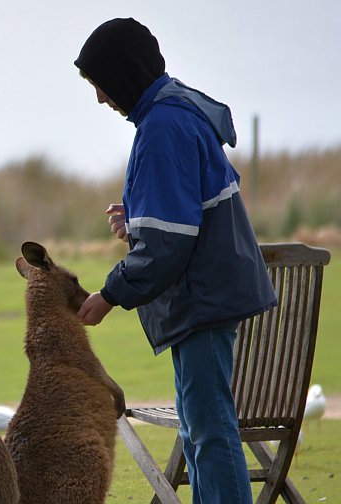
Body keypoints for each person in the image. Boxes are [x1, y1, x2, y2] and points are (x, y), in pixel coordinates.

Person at [73, 18, 277, 504]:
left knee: (209, 432)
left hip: (202, 300)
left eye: (100, 83)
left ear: (123, 73)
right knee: (200, 429)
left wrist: (110, 295)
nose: (101, 97)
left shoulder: (163, 126)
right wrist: (141, 219)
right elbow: (187, 210)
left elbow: (170, 245)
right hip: (207, 296)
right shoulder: (178, 109)